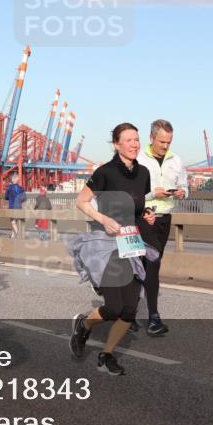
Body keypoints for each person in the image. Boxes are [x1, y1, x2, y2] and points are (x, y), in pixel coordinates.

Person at [69, 123, 157, 375]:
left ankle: (106, 355)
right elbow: (81, 201)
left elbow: (137, 208)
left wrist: (147, 215)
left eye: (137, 139)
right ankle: (84, 325)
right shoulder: (105, 172)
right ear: (116, 144)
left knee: (129, 310)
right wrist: (103, 219)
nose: (134, 144)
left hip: (131, 245)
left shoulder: (143, 173)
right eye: (128, 140)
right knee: (113, 308)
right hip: (106, 247)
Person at [135, 119, 187, 336]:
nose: (166, 146)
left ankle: (126, 311)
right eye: (162, 142)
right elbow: (131, 193)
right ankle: (153, 318)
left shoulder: (176, 160)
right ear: (151, 138)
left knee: (146, 265)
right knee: (152, 261)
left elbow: (184, 184)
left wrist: (183, 192)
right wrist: (151, 194)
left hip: (165, 218)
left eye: (169, 142)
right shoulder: (138, 158)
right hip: (143, 216)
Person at [5, 173, 25, 238]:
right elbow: (23, 198)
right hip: (19, 206)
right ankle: (12, 235)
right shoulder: (21, 188)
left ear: (12, 180)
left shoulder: (9, 188)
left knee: (12, 221)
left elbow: (6, 197)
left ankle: (17, 234)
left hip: (12, 206)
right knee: (15, 222)